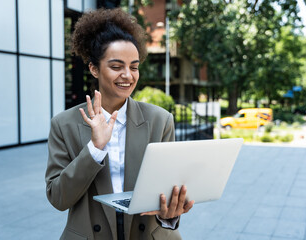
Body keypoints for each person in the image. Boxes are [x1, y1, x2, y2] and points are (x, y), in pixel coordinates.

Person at [45, 8, 194, 240]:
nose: (128, 75)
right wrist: (94, 149)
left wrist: (169, 215)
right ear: (94, 68)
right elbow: (58, 198)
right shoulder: (63, 124)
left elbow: (167, 192)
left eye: (134, 67)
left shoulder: (159, 120)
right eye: (116, 67)